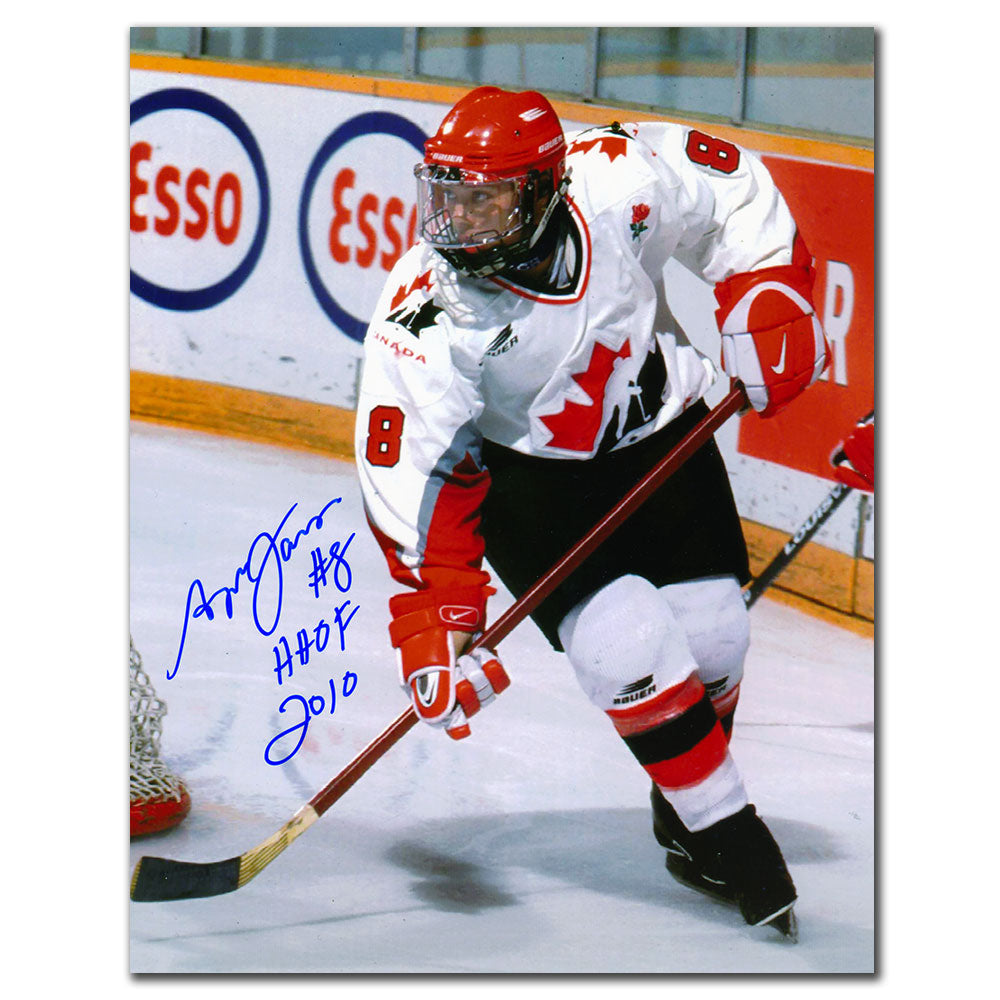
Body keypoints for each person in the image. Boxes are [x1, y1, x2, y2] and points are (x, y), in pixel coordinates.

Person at [354, 86, 831, 938]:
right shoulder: (425, 316)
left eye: (485, 200)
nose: (458, 224)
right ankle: (726, 833)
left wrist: (767, 286)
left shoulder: (615, 180)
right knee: (627, 649)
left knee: (718, 639)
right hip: (531, 485)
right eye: (447, 196)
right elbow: (418, 472)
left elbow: (726, 190)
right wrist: (440, 618)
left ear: (544, 190)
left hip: (660, 434)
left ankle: (681, 797)